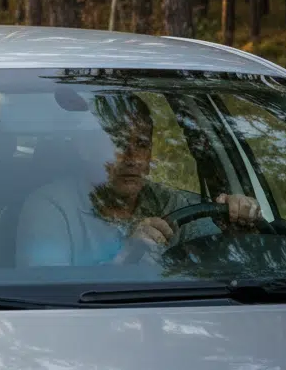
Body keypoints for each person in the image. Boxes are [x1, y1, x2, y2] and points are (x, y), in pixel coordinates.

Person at [16, 94, 262, 267]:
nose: (132, 159)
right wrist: (125, 258)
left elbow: (217, 256)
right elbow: (51, 297)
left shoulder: (169, 202)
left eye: (142, 145)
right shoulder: (50, 207)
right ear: (85, 148)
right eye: (118, 144)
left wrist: (234, 225)